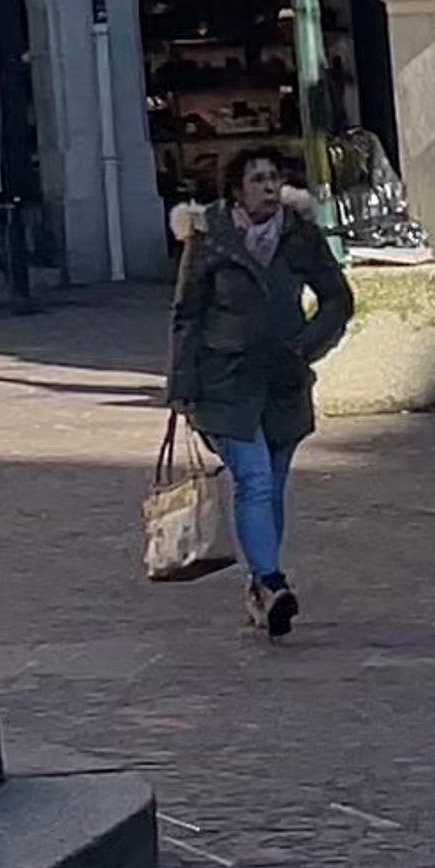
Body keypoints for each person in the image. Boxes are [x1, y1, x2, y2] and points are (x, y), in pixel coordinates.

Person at [167, 143, 355, 640]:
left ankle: (259, 587)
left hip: (282, 379)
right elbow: (187, 314)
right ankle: (272, 581)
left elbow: (338, 297)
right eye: (257, 179)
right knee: (252, 479)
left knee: (270, 485)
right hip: (223, 379)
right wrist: (181, 387)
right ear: (235, 190)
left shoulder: (299, 235)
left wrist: (308, 345)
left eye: (274, 178)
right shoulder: (209, 237)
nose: (269, 187)